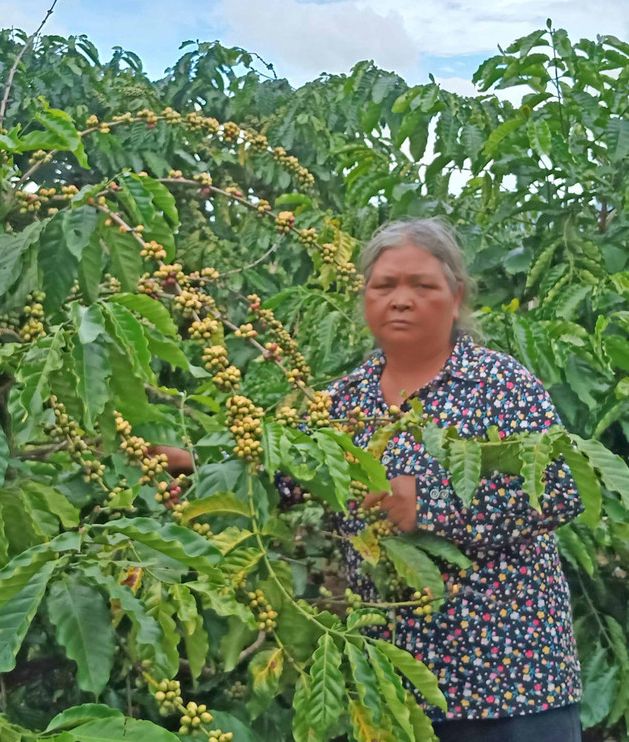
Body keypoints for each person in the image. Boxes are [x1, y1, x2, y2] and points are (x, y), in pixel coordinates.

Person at [155, 217, 583, 742]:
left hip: (512, 682)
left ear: (456, 296)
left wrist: (432, 508)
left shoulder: (500, 382)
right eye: (384, 286)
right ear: (365, 299)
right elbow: (285, 474)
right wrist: (198, 467)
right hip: (396, 682)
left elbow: (562, 489)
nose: (400, 300)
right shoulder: (343, 401)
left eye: (422, 285)